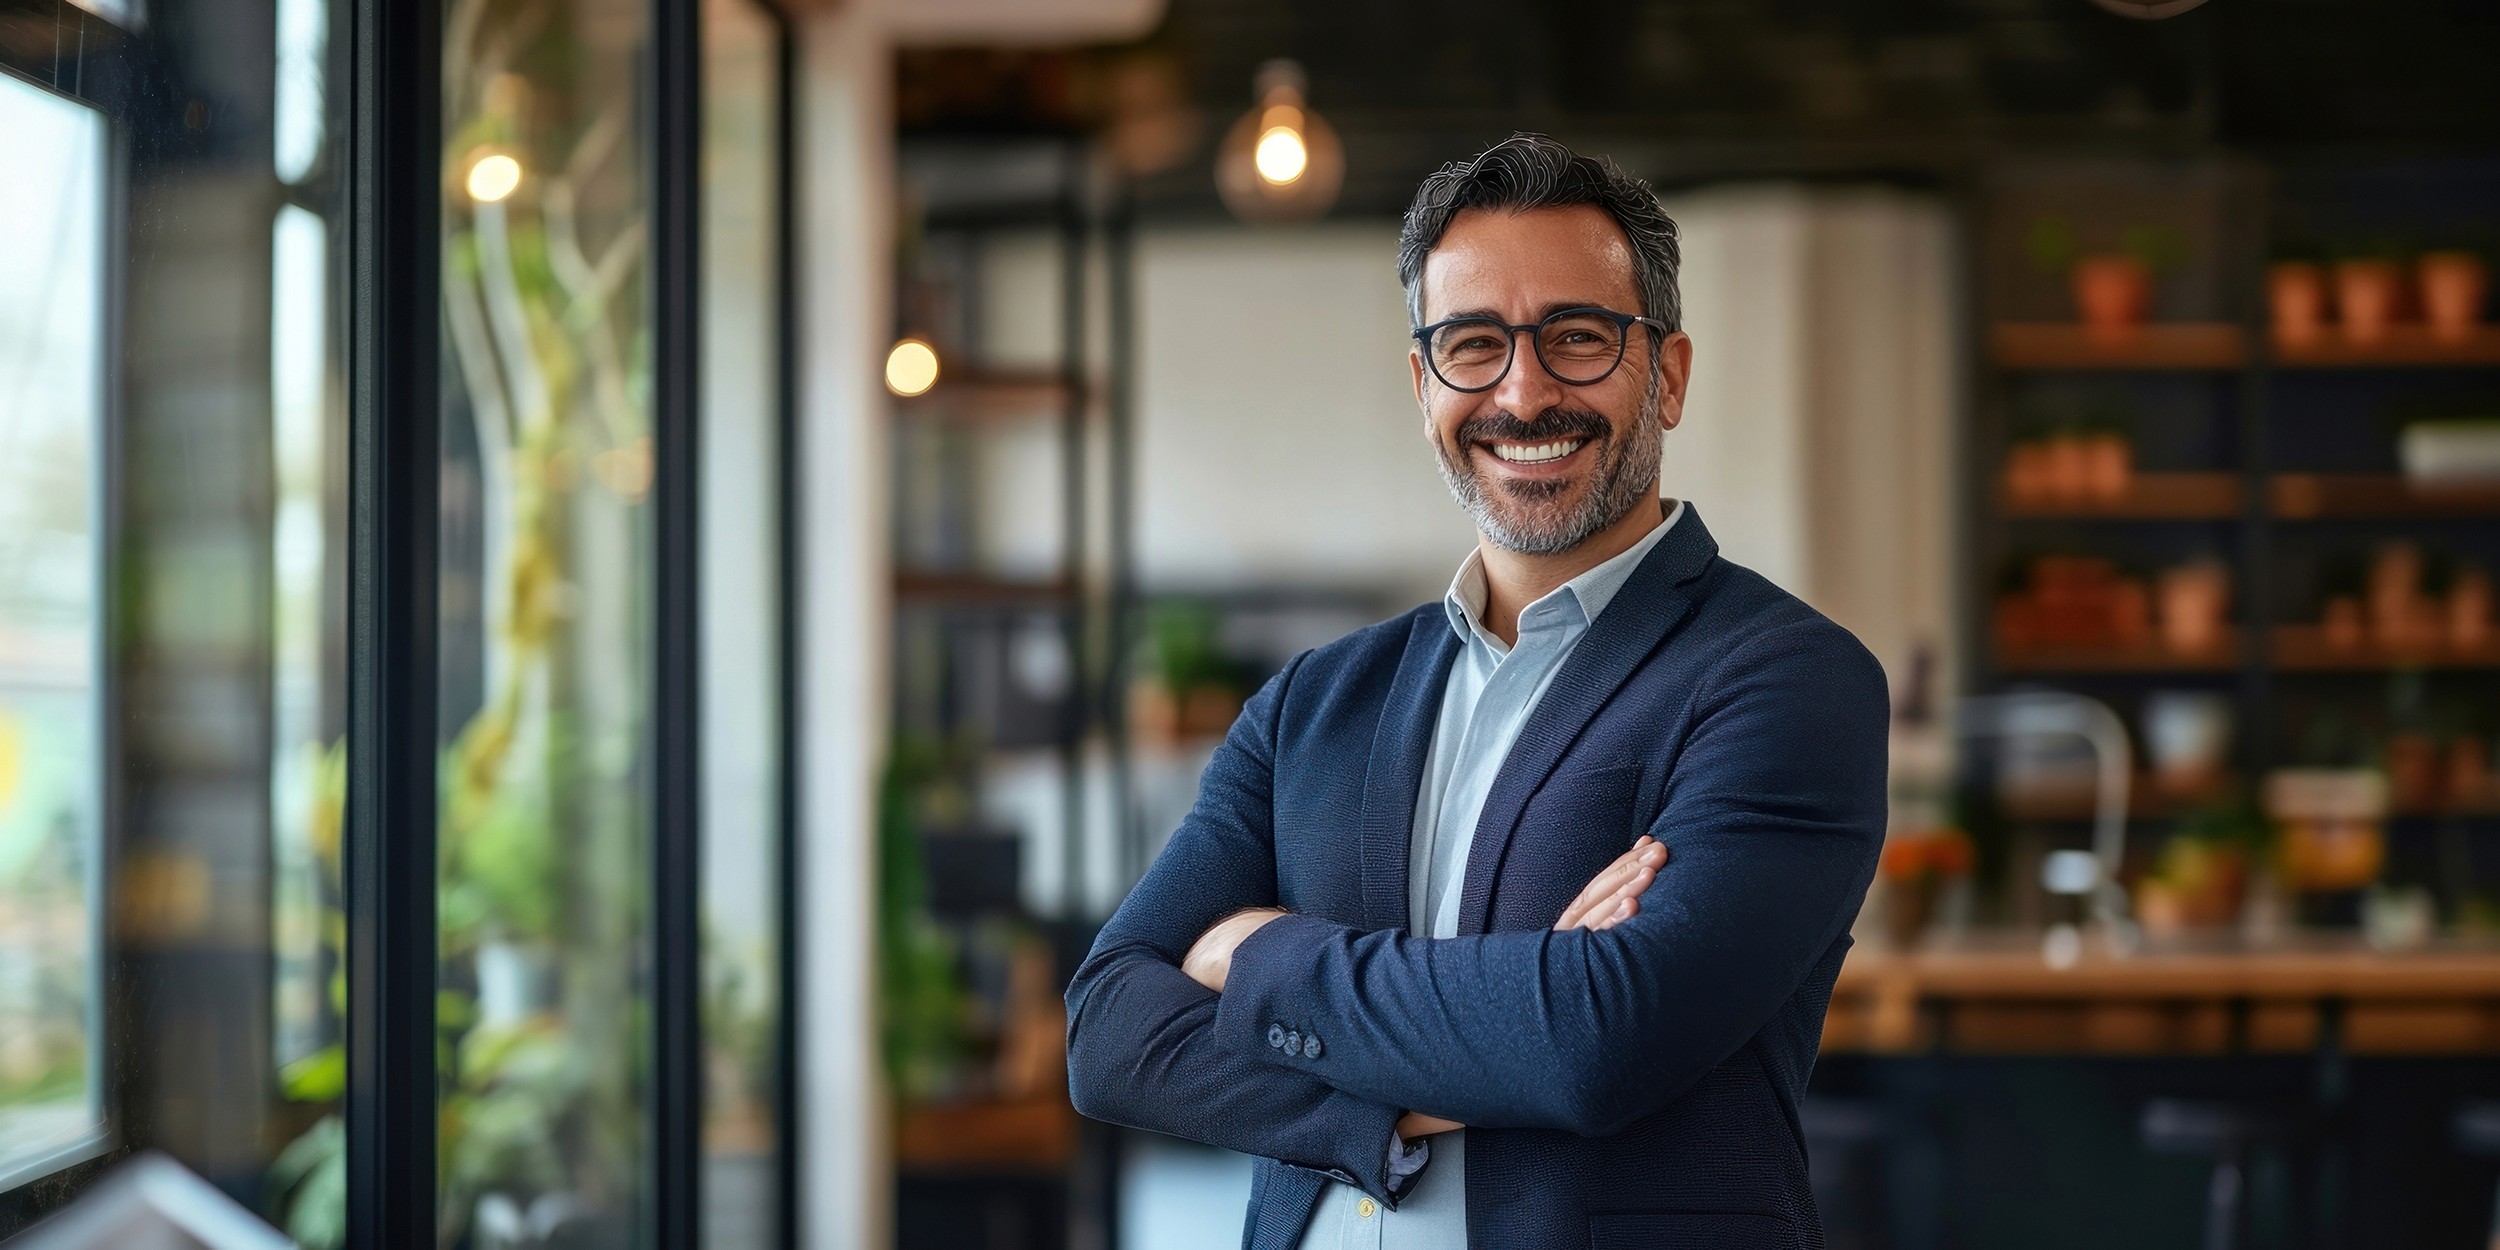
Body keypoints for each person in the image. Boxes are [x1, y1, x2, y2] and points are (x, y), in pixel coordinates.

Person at [1064, 132, 1889, 1250]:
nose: (1524, 390)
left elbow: (1595, 1039)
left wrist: (1253, 954)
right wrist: (1454, 1062)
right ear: (1423, 384)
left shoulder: (1784, 680)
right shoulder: (1316, 701)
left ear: (1672, 373)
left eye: (1578, 337)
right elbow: (1110, 1029)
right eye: (1472, 344)